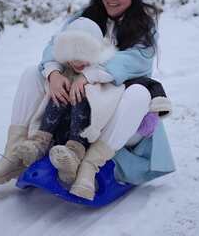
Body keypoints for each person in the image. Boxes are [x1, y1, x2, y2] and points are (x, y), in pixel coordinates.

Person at [0, 0, 175, 201]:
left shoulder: (143, 25)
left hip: (114, 109)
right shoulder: (88, 15)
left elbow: (137, 61)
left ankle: (89, 166)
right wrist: (53, 72)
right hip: (75, 104)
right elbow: (57, 44)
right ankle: (14, 154)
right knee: (32, 73)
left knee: (140, 93)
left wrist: (90, 74)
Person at [13, 17, 122, 185]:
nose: (77, 62)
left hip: (84, 133)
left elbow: (109, 98)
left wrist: (89, 87)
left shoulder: (99, 73)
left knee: (80, 96)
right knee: (59, 94)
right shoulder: (66, 71)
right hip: (60, 130)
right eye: (72, 55)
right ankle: (40, 143)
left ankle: (74, 154)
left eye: (83, 55)